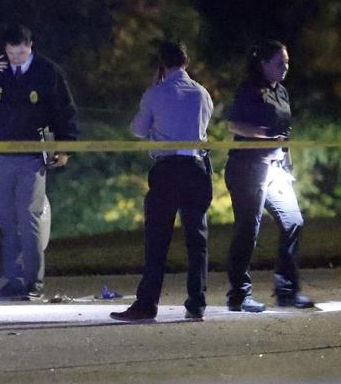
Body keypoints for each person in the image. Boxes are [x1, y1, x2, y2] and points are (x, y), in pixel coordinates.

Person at [0, 23, 79, 300]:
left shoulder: (47, 72)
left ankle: (33, 282)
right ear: (5, 49)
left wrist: (65, 148)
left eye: (20, 53)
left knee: (28, 218)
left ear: (30, 47)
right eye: (11, 53)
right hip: (1, 156)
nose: (15, 58)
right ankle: (13, 280)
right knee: (6, 219)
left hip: (31, 157)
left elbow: (65, 111)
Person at [110, 41, 213, 322]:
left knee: (157, 239)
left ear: (161, 65)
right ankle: (197, 302)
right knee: (197, 239)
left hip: (167, 170)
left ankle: (146, 304)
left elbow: (138, 130)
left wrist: (154, 92)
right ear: (186, 62)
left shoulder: (155, 94)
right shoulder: (203, 94)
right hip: (195, 168)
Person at [224, 40, 315, 312]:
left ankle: (287, 291)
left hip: (275, 169)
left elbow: (284, 132)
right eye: (279, 63)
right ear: (263, 63)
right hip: (247, 168)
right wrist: (265, 136)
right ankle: (239, 296)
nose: (285, 68)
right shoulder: (250, 90)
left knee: (293, 221)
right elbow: (234, 124)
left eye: (286, 63)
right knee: (247, 230)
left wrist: (287, 162)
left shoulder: (282, 92)